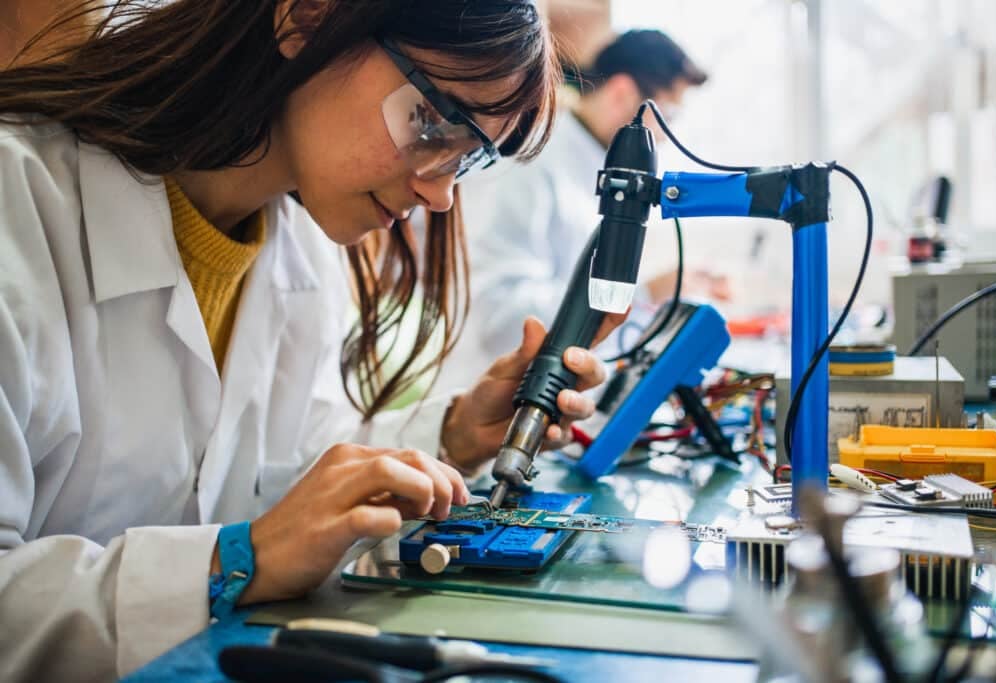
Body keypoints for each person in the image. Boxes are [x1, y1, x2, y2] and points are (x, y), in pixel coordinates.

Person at [0, 2, 621, 681]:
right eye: (436, 119)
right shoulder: (20, 204)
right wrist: (238, 558)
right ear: (306, 19)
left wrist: (456, 431)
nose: (441, 195)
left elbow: (296, 465)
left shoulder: (299, 255)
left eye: (466, 159)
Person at [461, 29, 714, 362]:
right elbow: (502, 319)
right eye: (667, 117)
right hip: (496, 393)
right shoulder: (528, 164)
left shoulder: (594, 164)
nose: (665, 138)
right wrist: (642, 292)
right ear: (622, 93)